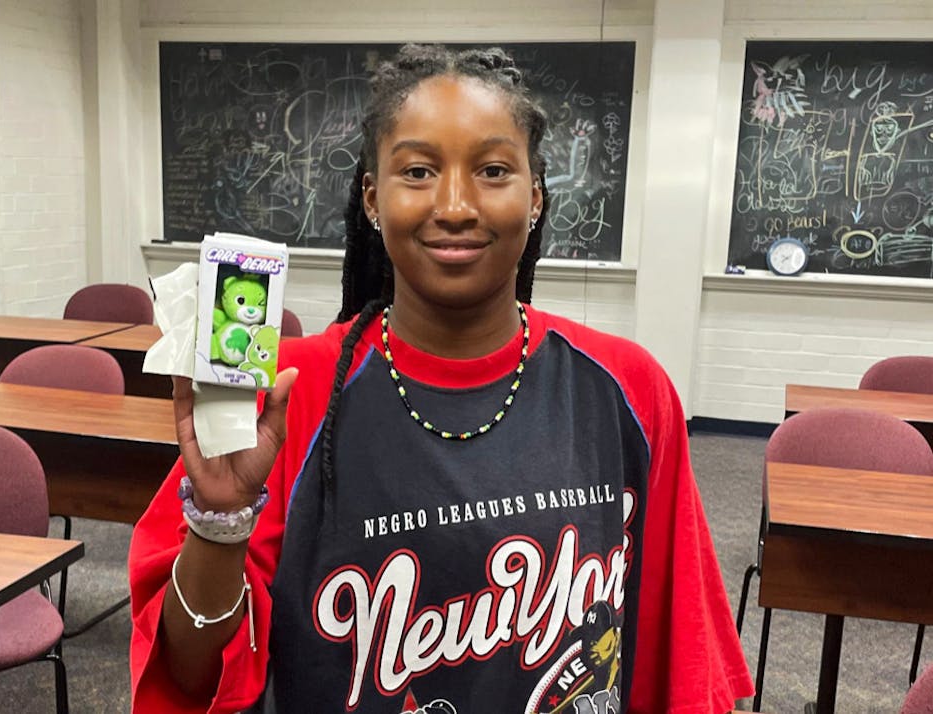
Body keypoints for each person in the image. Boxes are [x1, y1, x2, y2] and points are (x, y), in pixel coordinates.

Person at [129, 44, 754, 713]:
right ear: (373, 197)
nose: (455, 206)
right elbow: (190, 677)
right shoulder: (289, 396)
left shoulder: (628, 389)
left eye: (493, 170)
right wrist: (220, 521)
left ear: (535, 196)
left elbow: (680, 669)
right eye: (419, 171)